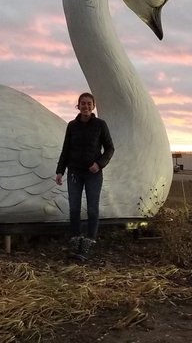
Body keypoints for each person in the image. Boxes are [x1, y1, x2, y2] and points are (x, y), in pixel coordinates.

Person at [55, 92, 115, 260]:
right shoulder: (72, 126)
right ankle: (75, 241)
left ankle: (89, 241)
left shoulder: (100, 125)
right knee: (74, 208)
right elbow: (65, 150)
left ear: (93, 106)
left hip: (92, 174)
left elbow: (110, 148)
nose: (86, 106)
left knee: (92, 208)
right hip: (74, 172)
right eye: (83, 103)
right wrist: (60, 171)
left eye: (89, 103)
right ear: (78, 106)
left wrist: (99, 164)